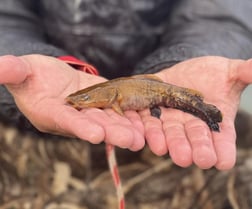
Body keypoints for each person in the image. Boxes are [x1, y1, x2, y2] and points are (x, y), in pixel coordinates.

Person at [0, 0, 252, 171]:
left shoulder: (118, 99)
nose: (80, 102)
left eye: (86, 100)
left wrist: (194, 58)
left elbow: (220, 14)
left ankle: (206, 116)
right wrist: (22, 56)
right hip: (33, 136)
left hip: (158, 152)